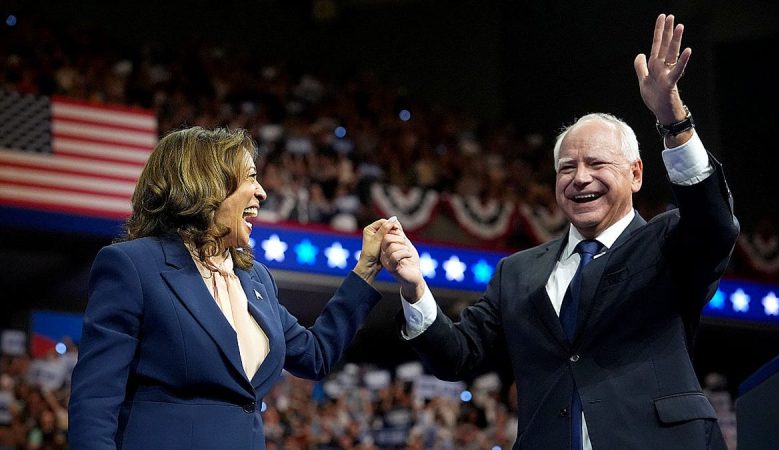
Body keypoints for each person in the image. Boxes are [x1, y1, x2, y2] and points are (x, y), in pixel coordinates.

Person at [381, 14, 739, 449]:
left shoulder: (667, 244)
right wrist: (415, 288)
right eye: (567, 167)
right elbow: (457, 356)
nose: (580, 178)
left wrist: (673, 120)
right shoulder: (517, 273)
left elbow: (714, 224)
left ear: (636, 174)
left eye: (597, 164)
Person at [68, 126, 396, 450]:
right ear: (206, 182)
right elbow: (94, 404)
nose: (262, 193)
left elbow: (315, 356)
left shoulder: (256, 279)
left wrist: (366, 268)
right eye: (250, 177)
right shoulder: (134, 266)